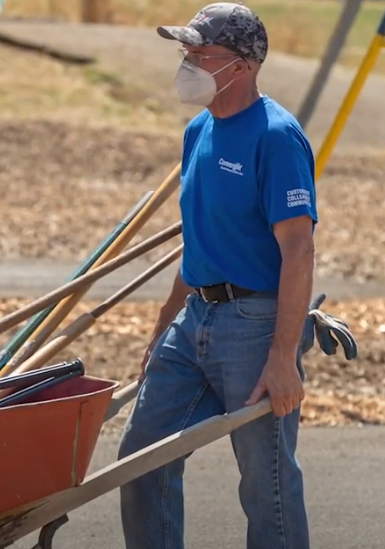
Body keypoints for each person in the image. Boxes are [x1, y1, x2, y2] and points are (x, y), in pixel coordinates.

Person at [117, 3, 320, 549]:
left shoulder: (276, 137)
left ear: (243, 65)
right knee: (141, 457)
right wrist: (165, 322)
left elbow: (298, 253)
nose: (189, 64)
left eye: (201, 54)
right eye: (187, 53)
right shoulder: (197, 131)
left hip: (256, 324)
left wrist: (282, 358)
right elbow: (198, 236)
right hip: (196, 317)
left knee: (266, 482)